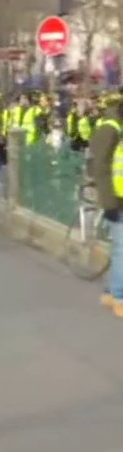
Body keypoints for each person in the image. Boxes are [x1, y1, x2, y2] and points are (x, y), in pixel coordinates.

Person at [88, 95, 123, 317]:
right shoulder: (111, 128)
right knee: (122, 250)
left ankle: (111, 292)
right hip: (118, 200)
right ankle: (119, 298)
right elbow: (100, 166)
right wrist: (109, 202)